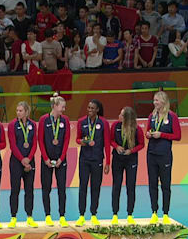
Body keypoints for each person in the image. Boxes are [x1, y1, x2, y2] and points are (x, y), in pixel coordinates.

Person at [146, 91, 182, 224]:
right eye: (154, 100)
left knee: (165, 185)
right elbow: (148, 131)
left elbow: (177, 136)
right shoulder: (152, 116)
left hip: (165, 155)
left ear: (163, 102)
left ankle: (165, 213)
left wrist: (162, 135)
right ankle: (154, 212)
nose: (154, 103)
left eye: (157, 100)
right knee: (152, 184)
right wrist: (149, 135)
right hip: (151, 154)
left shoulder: (172, 116)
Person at [75, 100, 111, 226]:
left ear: (97, 110)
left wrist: (108, 162)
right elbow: (77, 139)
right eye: (88, 107)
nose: (89, 110)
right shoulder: (81, 122)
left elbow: (107, 143)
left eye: (92, 108)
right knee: (82, 187)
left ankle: (94, 214)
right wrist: (83, 142)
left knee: (96, 187)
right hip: (84, 160)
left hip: (97, 160)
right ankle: (81, 215)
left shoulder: (104, 123)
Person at [38, 95, 71, 227]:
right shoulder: (43, 120)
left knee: (62, 188)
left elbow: (67, 140)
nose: (63, 109)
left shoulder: (65, 120)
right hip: (46, 159)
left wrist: (61, 158)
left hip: (60, 160)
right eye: (62, 107)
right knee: (46, 188)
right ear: (55, 106)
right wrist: (45, 158)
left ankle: (62, 216)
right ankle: (48, 215)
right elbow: (40, 139)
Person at [110, 107, 145, 225]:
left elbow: (141, 144)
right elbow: (111, 140)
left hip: (131, 160)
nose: (118, 116)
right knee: (116, 186)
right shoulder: (115, 125)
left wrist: (132, 150)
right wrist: (116, 146)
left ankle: (130, 214)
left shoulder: (137, 129)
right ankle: (115, 214)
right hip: (117, 159)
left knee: (131, 186)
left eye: (121, 115)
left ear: (127, 118)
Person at [7, 102, 38, 228]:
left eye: (20, 110)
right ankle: (13, 217)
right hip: (16, 161)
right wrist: (22, 160)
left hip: (30, 161)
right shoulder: (12, 125)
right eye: (17, 110)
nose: (18, 112)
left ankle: (29, 216)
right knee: (15, 190)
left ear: (26, 111)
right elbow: (13, 145)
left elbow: (34, 143)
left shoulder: (33, 125)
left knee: (29, 190)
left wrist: (29, 159)